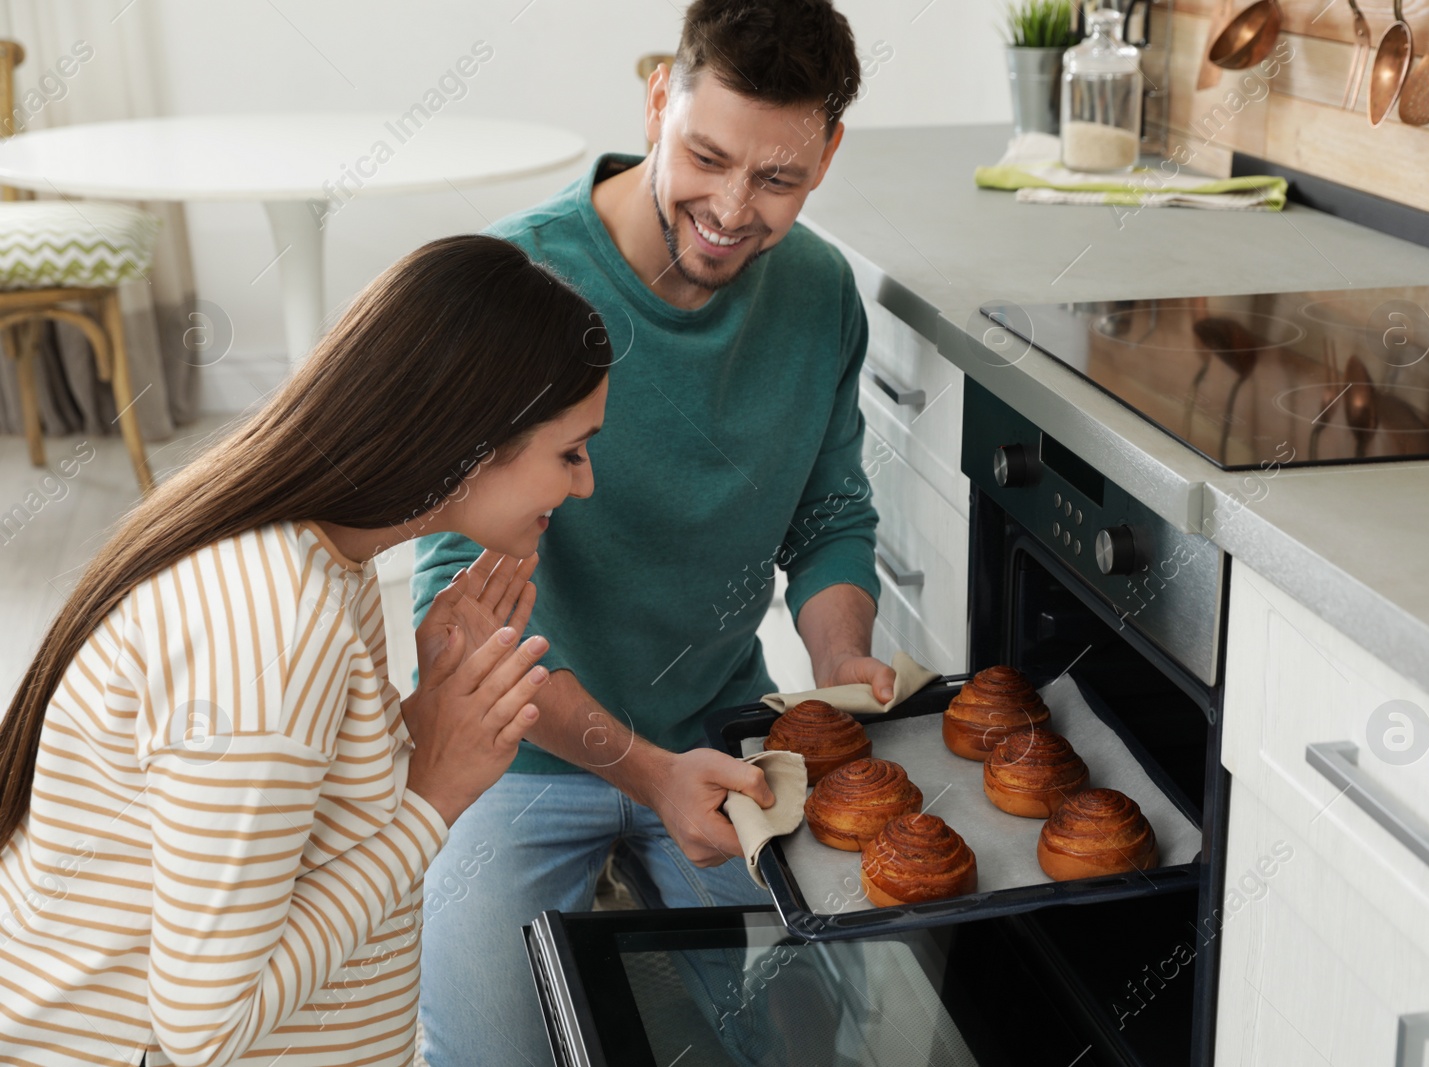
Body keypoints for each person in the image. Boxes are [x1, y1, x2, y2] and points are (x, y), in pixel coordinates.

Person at [411, 2, 894, 1062]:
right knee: (496, 1049)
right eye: (706, 156)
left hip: (719, 726)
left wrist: (840, 660)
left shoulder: (818, 293)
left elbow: (829, 511)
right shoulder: (519, 287)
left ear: (827, 153)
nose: (730, 209)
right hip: (518, 744)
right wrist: (641, 770)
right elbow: (459, 623)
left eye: (778, 180)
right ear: (658, 98)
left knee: (798, 1036)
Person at [0, 234, 609, 1066]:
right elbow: (204, 1030)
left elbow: (281, 819)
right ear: (474, 440)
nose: (585, 484)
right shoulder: (275, 628)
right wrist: (432, 797)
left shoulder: (326, 553)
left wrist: (417, 722)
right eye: (570, 451)